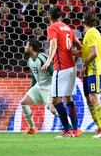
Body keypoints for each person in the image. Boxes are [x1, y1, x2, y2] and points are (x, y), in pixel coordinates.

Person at [41, 7, 82, 138]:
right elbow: (78, 45)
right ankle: (75, 130)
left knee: (55, 100)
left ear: (49, 16)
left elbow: (53, 44)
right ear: (60, 16)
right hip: (72, 68)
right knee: (68, 98)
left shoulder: (52, 28)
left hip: (61, 68)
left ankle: (67, 131)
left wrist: (48, 61)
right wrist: (74, 59)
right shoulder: (68, 28)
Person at [78, 13, 101, 138]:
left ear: (84, 20)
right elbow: (86, 53)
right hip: (90, 72)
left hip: (95, 70)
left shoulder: (91, 32)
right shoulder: (89, 33)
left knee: (94, 98)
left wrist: (85, 65)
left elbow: (94, 53)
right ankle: (100, 128)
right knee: (89, 99)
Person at [22, 38, 57, 134]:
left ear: (31, 47)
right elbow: (34, 76)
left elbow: (53, 72)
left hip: (48, 88)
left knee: (54, 110)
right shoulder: (30, 60)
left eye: (26, 45)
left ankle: (73, 127)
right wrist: (32, 88)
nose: (25, 47)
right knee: (24, 102)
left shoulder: (42, 57)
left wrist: (54, 89)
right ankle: (32, 128)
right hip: (38, 87)